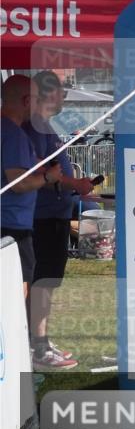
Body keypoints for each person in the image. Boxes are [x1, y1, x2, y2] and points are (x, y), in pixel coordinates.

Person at [22, 72, 83, 369]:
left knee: (45, 283)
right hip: (43, 217)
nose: (65, 96)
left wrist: (77, 188)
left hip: (53, 216)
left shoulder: (44, 127)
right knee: (42, 284)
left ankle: (38, 341)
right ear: (48, 93)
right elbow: (40, 175)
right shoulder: (34, 128)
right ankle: (39, 347)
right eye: (61, 90)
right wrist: (76, 184)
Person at [1, 75, 61, 302]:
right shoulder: (14, 134)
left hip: (8, 224)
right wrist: (48, 176)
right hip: (12, 228)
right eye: (37, 99)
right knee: (16, 293)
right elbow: (19, 182)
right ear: (27, 101)